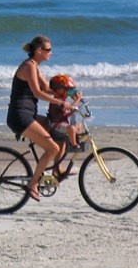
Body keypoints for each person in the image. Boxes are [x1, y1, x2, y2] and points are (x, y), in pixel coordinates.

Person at [6, 35, 73, 202]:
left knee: (60, 133)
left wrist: (71, 93)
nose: (51, 52)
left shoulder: (35, 67)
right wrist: (59, 102)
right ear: (39, 51)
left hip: (30, 114)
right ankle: (33, 184)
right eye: (49, 50)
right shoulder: (28, 66)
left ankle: (56, 170)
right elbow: (38, 93)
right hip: (19, 116)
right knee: (52, 149)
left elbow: (48, 89)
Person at [48, 74, 83, 153]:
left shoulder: (62, 99)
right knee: (71, 128)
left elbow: (66, 113)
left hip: (62, 122)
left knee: (79, 126)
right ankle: (73, 145)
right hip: (56, 125)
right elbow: (69, 107)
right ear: (59, 90)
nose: (68, 92)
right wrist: (78, 99)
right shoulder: (57, 100)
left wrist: (73, 110)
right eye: (67, 90)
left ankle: (77, 141)